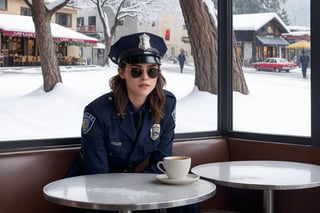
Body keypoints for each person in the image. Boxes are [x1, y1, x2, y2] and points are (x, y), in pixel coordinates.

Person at [66, 32, 200, 213]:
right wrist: (136, 194)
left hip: (137, 182)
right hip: (92, 189)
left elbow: (161, 161)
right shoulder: (97, 112)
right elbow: (98, 175)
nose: (145, 78)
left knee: (187, 202)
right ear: (121, 72)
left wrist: (142, 192)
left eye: (152, 71)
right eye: (136, 71)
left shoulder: (167, 104)